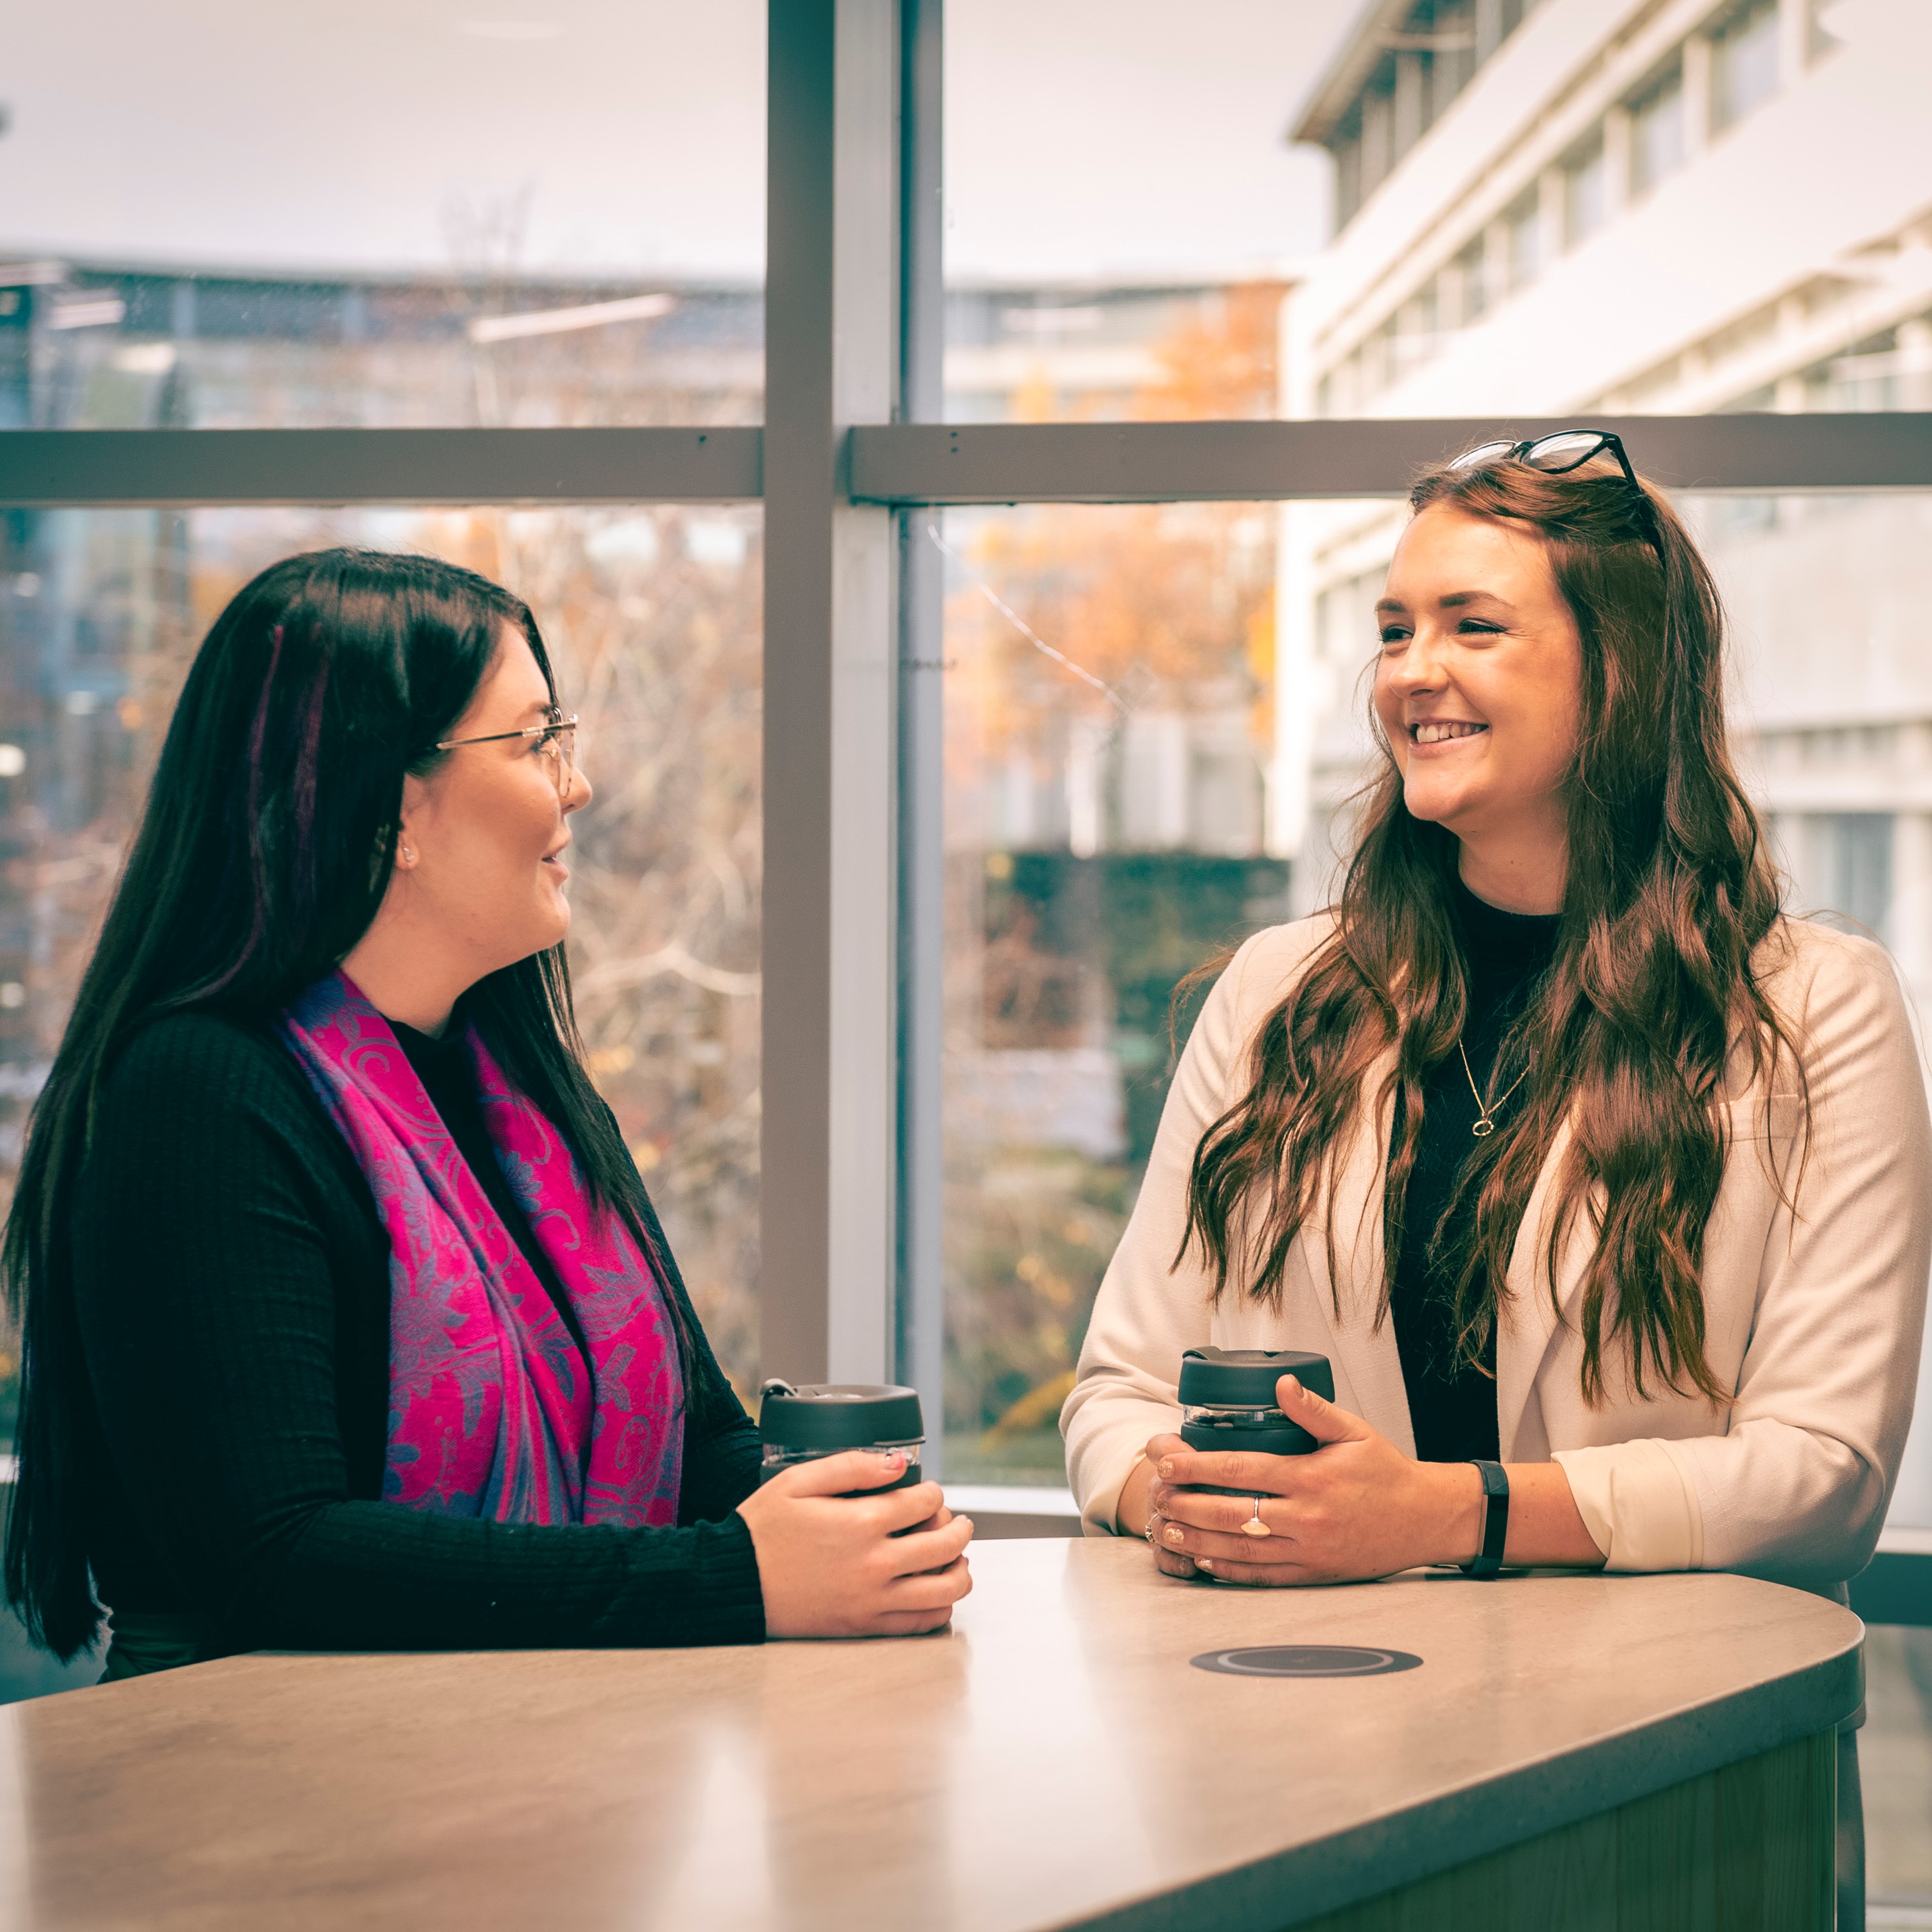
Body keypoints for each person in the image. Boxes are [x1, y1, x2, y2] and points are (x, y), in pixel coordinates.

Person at [3, 548, 972, 1678]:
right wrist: (736, 1576)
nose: (576, 785)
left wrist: (841, 1518)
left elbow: (691, 1436)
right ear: (388, 798)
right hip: (258, 1799)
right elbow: (273, 1555)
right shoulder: (195, 1092)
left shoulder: (521, 1082)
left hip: (537, 1767)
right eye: (533, 741)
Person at [1063, 431, 1930, 1595]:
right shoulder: (1276, 988)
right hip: (1307, 1720)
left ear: (1620, 668)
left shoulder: (1814, 1009)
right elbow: (1116, 1390)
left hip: (1656, 1741)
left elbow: (1818, 1476)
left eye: (1471, 626)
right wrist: (1173, 1493)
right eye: (1392, 629)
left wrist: (1439, 1511)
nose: (1409, 670)